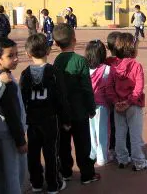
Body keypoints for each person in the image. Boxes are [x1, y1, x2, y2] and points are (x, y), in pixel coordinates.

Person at [20, 33, 70, 193]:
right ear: (48, 50)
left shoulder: (25, 74)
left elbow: (22, 99)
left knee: (33, 153)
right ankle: (53, 184)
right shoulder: (54, 72)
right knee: (51, 152)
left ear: (28, 54)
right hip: (50, 118)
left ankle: (36, 183)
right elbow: (61, 97)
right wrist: (66, 119)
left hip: (33, 119)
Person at [53, 23, 100, 184]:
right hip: (79, 111)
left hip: (63, 112)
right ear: (74, 39)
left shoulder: (57, 61)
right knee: (83, 144)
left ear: (56, 43)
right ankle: (87, 174)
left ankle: (65, 171)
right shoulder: (80, 61)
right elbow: (87, 88)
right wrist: (91, 107)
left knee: (64, 145)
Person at [106, 32, 147, 171]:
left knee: (120, 133)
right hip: (133, 105)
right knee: (135, 134)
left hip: (118, 106)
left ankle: (122, 159)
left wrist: (115, 102)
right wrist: (130, 101)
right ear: (132, 50)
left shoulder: (114, 67)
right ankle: (138, 161)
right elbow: (139, 86)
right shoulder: (137, 66)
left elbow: (109, 87)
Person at [0, 38, 27, 194]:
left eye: (17, 54)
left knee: (3, 174)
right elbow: (12, 112)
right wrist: (20, 140)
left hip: (4, 133)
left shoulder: (3, 76)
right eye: (10, 56)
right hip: (9, 135)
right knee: (14, 174)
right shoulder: (4, 80)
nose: (16, 59)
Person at [85, 40, 110, 166]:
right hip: (101, 105)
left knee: (91, 131)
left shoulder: (84, 69)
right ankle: (102, 157)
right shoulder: (106, 69)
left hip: (88, 104)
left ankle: (92, 153)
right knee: (102, 132)